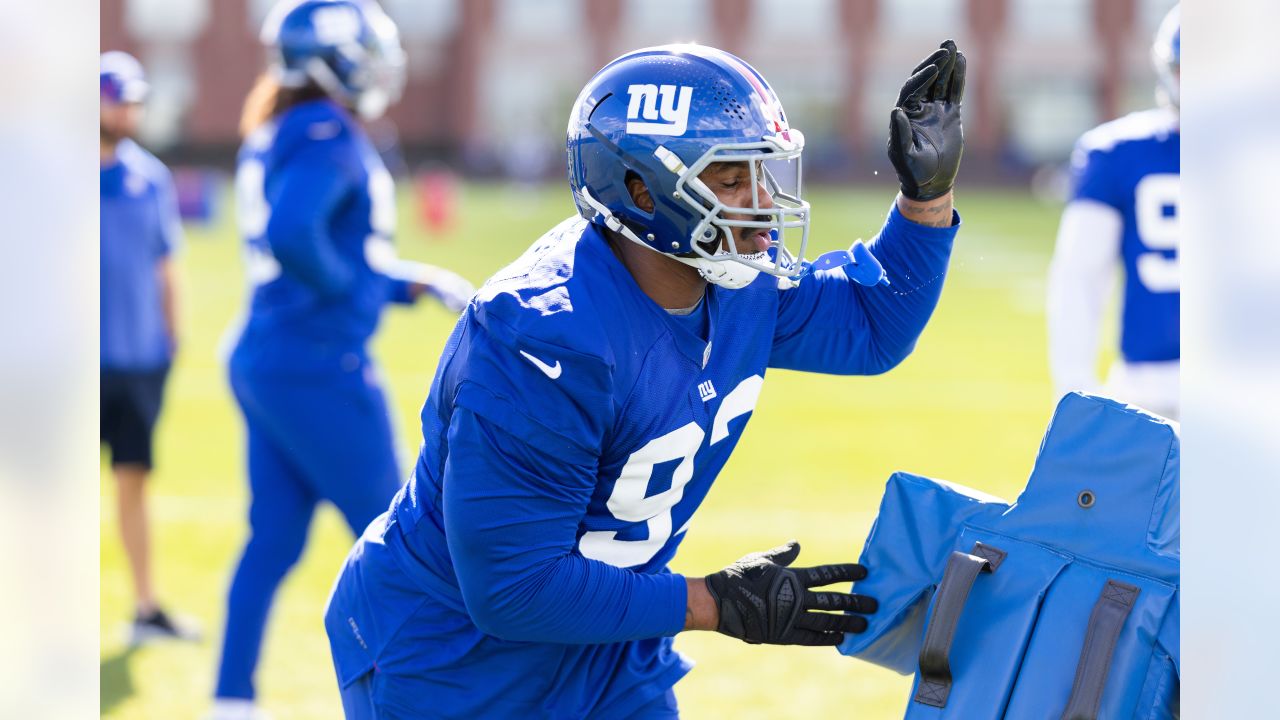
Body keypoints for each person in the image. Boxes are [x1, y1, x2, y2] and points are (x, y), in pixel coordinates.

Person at [326, 40, 966, 719]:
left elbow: (870, 326)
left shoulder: (738, 277)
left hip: (611, 641)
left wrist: (926, 196)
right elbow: (513, 589)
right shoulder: (547, 339)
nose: (761, 206)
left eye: (762, 172)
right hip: (453, 658)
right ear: (641, 191)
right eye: (729, 180)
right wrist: (716, 602)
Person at [210, 2, 475, 718]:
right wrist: (363, 288)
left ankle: (230, 698)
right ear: (332, 59)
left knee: (273, 538)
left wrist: (398, 280)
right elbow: (300, 236)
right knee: (409, 539)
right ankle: (439, 697)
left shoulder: (287, 126)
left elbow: (321, 243)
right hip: (315, 362)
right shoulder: (327, 131)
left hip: (269, 352)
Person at [100, 50, 199, 645]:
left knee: (134, 481)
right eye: (121, 99)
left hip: (139, 362)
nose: (129, 111)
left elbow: (167, 266)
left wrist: (172, 339)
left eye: (135, 101)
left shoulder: (150, 179)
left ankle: (145, 609)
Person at [1047, 5, 1180, 420]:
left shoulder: (1118, 150)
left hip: (1148, 390)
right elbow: (1079, 277)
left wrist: (1075, 393)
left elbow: (1078, 281)